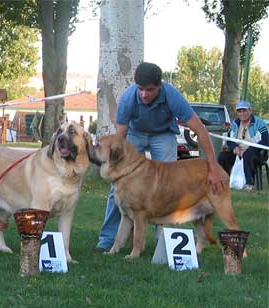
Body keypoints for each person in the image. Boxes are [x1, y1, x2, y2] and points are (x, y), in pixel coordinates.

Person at [95, 62, 225, 252]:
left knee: (167, 185)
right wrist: (116, 174)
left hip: (163, 134)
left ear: (160, 86)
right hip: (135, 133)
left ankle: (163, 242)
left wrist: (213, 168)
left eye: (149, 90)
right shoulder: (128, 99)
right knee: (117, 189)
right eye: (140, 89)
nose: (144, 94)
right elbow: (119, 141)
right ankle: (108, 239)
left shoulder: (172, 96)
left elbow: (201, 131)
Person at [218, 100, 269, 191]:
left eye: (245, 110)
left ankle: (249, 184)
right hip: (238, 151)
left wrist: (250, 149)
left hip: (256, 152)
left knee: (248, 154)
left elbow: (266, 141)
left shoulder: (259, 123)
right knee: (223, 156)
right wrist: (235, 148)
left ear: (250, 111)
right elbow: (229, 140)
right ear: (237, 112)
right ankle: (223, 182)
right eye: (240, 111)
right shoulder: (235, 123)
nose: (242, 113)